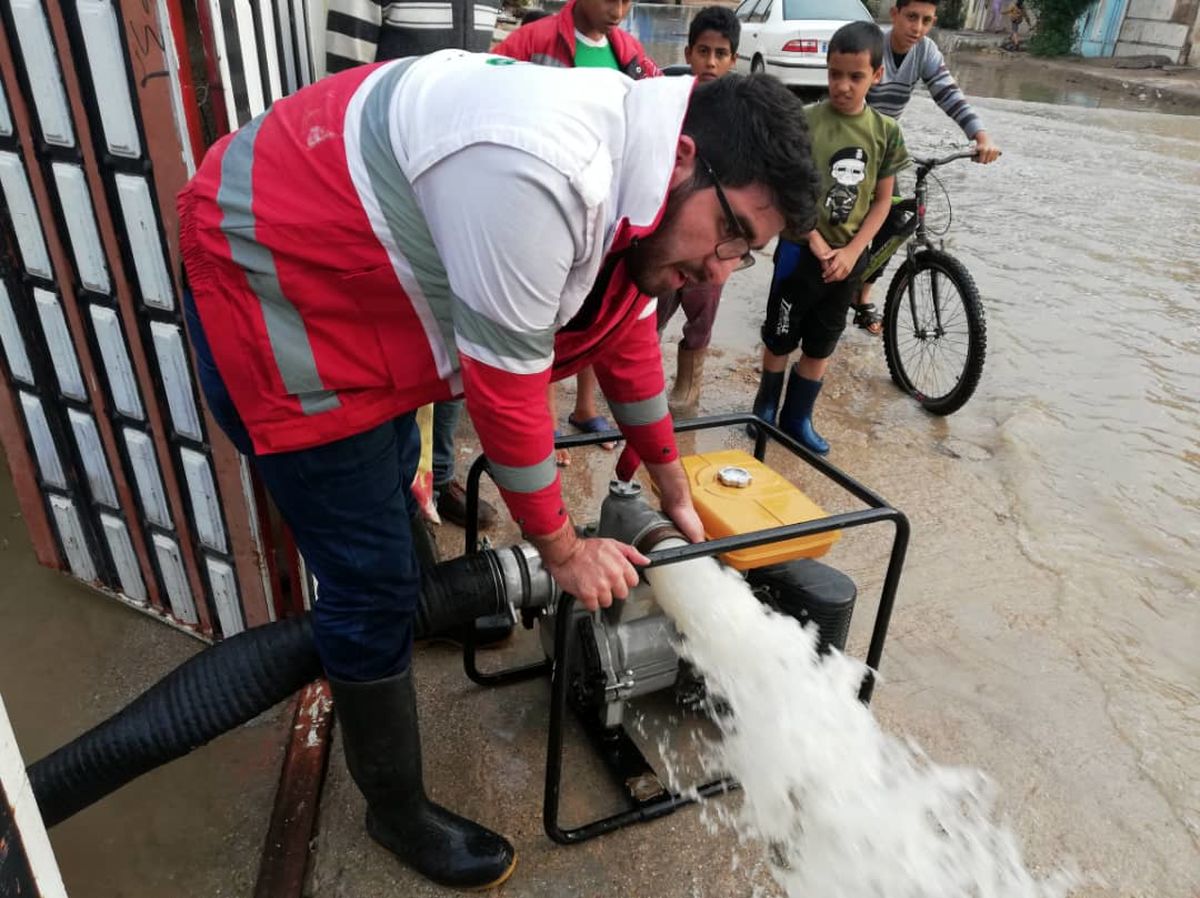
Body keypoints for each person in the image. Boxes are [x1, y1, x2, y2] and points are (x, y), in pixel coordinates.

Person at [178, 53, 816, 889]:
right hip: (271, 277)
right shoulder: (542, 174)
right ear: (688, 156)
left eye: (749, 254)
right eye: (732, 233)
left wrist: (671, 479)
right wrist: (561, 552)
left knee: (396, 471)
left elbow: (621, 334)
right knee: (365, 582)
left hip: (367, 289)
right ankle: (394, 806)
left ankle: (430, 610)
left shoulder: (641, 192)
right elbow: (505, 398)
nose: (721, 270)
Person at [495, 0, 661, 448]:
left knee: (593, 307)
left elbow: (654, 115)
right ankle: (542, 421)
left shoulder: (629, 51)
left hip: (603, 203)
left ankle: (585, 407)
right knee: (543, 313)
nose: (620, 8)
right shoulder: (534, 40)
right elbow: (489, 93)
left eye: (628, 0)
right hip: (543, 204)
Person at [749, 22, 909, 455]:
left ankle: (797, 417)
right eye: (835, 74)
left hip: (849, 259)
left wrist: (853, 251)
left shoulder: (886, 133)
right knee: (780, 335)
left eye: (855, 77)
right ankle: (764, 407)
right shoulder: (804, 123)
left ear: (877, 76)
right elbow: (787, 191)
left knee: (822, 341)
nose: (842, 85)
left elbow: (882, 202)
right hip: (799, 252)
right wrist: (818, 244)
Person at [850, 0, 1001, 336]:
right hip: (852, 142)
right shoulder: (871, 45)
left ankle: (861, 296)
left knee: (898, 218)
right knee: (849, 211)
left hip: (886, 148)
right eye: (911, 17)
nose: (917, 27)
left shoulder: (926, 52)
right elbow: (849, 97)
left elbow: (949, 94)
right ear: (895, 15)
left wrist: (980, 137)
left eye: (927, 20)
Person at [657, 5, 740, 416]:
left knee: (702, 312)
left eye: (720, 54)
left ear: (733, 60)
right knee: (651, 309)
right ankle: (641, 385)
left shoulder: (739, 114)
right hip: (666, 232)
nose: (710, 61)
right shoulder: (668, 100)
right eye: (703, 50)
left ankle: (687, 388)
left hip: (713, 241)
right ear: (688, 52)